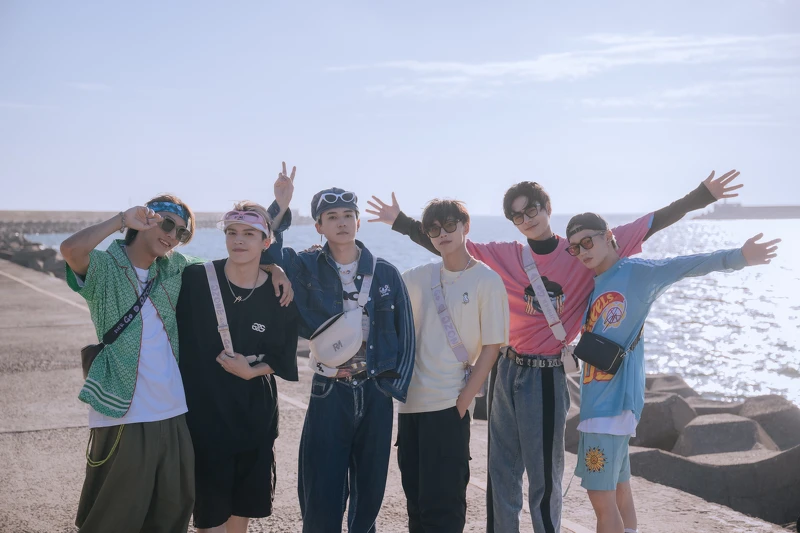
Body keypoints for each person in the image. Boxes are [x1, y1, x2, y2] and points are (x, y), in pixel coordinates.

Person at [366, 170, 744, 532]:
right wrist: (400, 221)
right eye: (517, 216)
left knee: (544, 478)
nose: (526, 219)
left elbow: (652, 222)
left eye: (532, 209)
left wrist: (702, 196)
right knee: (501, 473)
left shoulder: (581, 251)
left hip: (545, 375)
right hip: (505, 370)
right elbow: (450, 245)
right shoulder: (506, 255)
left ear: (547, 208)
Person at [60, 194, 291, 533]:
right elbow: (71, 250)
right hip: (124, 410)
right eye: (167, 224)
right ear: (145, 219)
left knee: (170, 518)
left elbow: (236, 260)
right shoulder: (106, 268)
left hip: (175, 413)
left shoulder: (176, 269)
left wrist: (273, 267)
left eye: (181, 232)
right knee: (115, 517)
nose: (172, 235)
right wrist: (121, 219)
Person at [564, 213, 779, 533]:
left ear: (607, 236)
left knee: (601, 497)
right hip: (604, 405)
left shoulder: (635, 273)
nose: (582, 251)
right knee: (620, 490)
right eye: (575, 248)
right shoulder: (596, 283)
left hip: (611, 407)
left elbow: (683, 265)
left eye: (587, 241)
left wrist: (738, 256)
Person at [264, 164, 415, 533]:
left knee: (370, 492)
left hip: (375, 390)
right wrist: (280, 204)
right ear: (319, 226)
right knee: (322, 490)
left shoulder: (385, 273)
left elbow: (406, 334)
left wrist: (393, 389)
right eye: (331, 216)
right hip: (329, 388)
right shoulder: (304, 267)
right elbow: (265, 252)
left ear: (359, 222)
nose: (342, 222)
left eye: (348, 215)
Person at [177, 201, 300, 533]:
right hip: (205, 419)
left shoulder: (278, 293)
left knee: (240, 518)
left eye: (249, 233)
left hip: (254, 419)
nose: (239, 240)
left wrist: (252, 371)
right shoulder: (195, 279)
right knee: (210, 519)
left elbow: (283, 355)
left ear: (266, 242)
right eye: (232, 232)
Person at [392, 199, 509, 532]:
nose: (442, 233)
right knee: (416, 508)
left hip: (448, 407)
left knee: (443, 510)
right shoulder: (417, 277)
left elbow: (492, 348)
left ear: (465, 226)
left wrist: (461, 405)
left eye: (449, 225)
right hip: (410, 407)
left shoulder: (487, 280)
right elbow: (377, 293)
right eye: (433, 229)